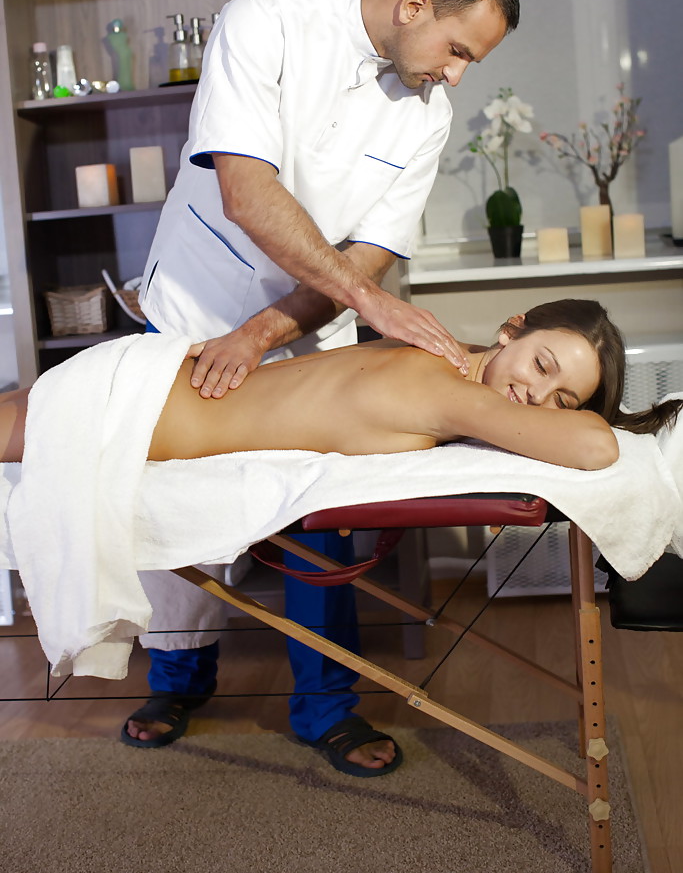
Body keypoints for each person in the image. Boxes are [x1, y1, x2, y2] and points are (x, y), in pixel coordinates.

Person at [127, 0, 521, 772]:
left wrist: (264, 333)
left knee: (321, 519)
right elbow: (246, 192)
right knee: (171, 501)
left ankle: (325, 706)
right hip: (192, 306)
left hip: (307, 329)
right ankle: (176, 680)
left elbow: (369, 254)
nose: (456, 76)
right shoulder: (266, 20)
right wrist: (368, 304)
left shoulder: (427, 114)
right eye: (457, 51)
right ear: (413, 5)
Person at [1, 299, 680, 775]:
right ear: (511, 330)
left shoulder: (436, 352)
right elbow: (595, 449)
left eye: (562, 399)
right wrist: (595, 419)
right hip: (125, 413)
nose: (537, 396)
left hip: (142, 382)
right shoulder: (450, 392)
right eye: (541, 365)